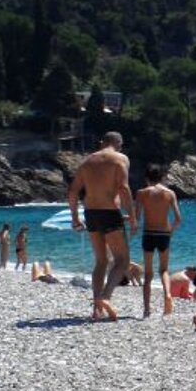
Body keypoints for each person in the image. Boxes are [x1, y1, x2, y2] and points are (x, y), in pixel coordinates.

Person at [68, 131, 137, 321]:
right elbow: (123, 188)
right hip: (109, 213)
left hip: (91, 213)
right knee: (122, 260)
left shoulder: (87, 161)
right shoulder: (120, 159)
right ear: (118, 143)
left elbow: (73, 191)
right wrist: (132, 216)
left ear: (102, 142)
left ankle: (96, 309)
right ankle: (104, 298)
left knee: (101, 261)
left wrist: (75, 216)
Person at [135, 163, 182, 317]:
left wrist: (126, 218)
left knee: (148, 274)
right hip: (164, 234)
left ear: (147, 178)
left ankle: (147, 309)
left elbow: (137, 218)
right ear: (161, 177)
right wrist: (170, 232)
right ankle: (168, 295)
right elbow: (177, 219)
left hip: (148, 233)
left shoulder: (142, 193)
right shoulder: (169, 194)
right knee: (164, 270)